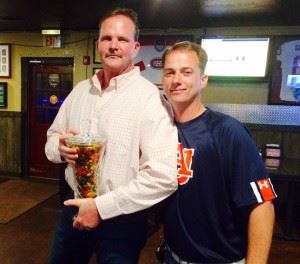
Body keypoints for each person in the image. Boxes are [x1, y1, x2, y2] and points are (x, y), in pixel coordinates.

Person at [45, 8, 178, 264]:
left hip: (122, 220)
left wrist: (101, 207)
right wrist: (58, 148)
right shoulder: (80, 92)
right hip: (73, 208)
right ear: (98, 45)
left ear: (136, 47)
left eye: (122, 40)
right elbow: (52, 139)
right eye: (107, 38)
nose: (114, 46)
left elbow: (164, 175)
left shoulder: (150, 98)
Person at [160, 41, 277, 264]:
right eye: (169, 73)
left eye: (186, 72)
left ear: (203, 80)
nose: (176, 80)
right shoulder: (159, 130)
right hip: (172, 256)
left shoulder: (228, 131)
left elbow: (262, 205)